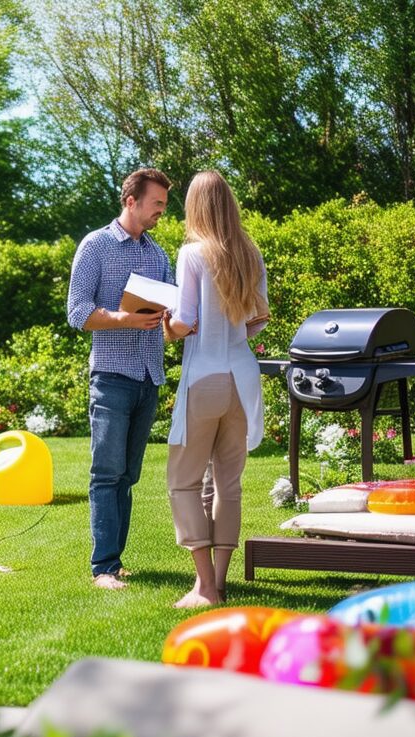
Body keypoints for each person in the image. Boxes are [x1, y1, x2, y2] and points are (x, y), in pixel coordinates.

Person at [163, 170, 269, 608]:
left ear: (194, 206)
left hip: (204, 376)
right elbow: (259, 320)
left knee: (183, 482)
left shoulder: (192, 254)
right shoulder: (251, 251)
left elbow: (184, 321)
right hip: (243, 378)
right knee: (229, 484)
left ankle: (204, 587)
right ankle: (221, 583)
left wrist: (168, 327)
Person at [66, 168, 174, 590]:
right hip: (111, 377)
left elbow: (169, 315)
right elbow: (77, 313)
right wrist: (125, 318)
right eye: (157, 204)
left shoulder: (159, 255)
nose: (162, 212)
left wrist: (175, 315)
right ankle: (103, 568)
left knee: (128, 475)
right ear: (131, 201)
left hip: (148, 376)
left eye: (164, 205)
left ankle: (115, 562)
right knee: (106, 473)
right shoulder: (95, 247)